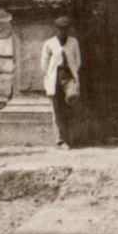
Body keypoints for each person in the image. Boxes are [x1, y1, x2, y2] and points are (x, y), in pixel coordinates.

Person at [40, 15, 81, 149]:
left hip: (69, 76)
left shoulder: (73, 42)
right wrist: (50, 75)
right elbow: (44, 63)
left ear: (68, 30)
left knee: (72, 100)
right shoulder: (49, 43)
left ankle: (72, 136)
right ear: (56, 29)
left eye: (65, 29)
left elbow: (78, 60)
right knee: (57, 110)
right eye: (60, 29)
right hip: (54, 77)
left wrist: (71, 71)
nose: (63, 32)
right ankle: (61, 140)